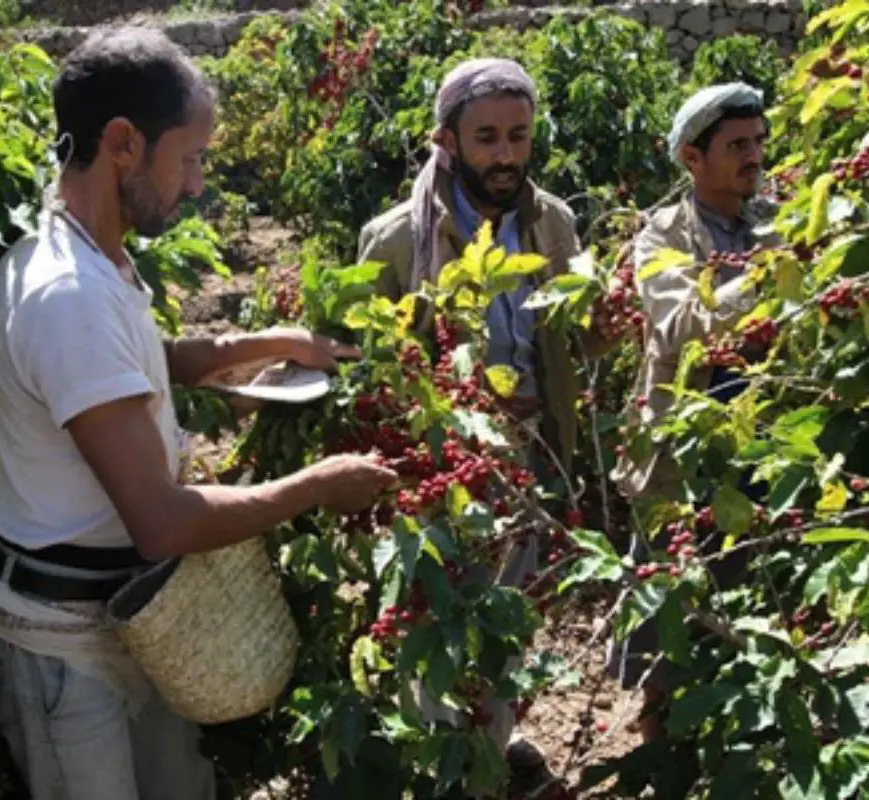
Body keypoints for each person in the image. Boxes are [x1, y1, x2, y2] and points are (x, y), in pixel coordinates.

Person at [0, 27, 397, 800]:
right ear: (124, 143)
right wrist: (318, 484)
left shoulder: (87, 255)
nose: (197, 184)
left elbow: (133, 358)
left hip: (121, 614)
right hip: (62, 637)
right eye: (190, 158)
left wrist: (262, 345)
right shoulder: (69, 298)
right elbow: (162, 522)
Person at [356, 57, 599, 794]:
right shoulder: (398, 239)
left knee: (508, 616)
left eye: (518, 137)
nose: (504, 155)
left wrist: (601, 323)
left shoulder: (552, 221)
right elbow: (363, 367)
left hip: (527, 450)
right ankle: (441, 763)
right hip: (440, 462)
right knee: (437, 614)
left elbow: (568, 338)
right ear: (448, 140)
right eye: (486, 137)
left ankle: (488, 749)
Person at [609, 82, 784, 741]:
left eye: (759, 142)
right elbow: (684, 323)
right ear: (692, 157)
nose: (754, 157)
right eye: (737, 145)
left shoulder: (773, 223)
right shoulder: (661, 238)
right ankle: (663, 759)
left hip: (763, 450)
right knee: (667, 624)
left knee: (755, 606)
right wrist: (771, 277)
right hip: (677, 462)